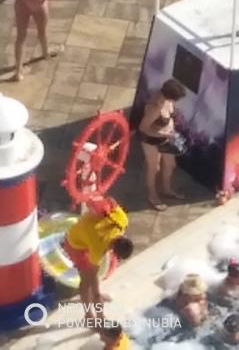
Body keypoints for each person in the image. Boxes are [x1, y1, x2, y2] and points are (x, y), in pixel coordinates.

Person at [62, 198, 133, 319]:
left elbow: (111, 201)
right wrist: (100, 313)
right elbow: (93, 281)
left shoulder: (121, 220)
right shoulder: (98, 246)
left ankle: (96, 312)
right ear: (113, 250)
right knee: (86, 281)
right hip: (75, 244)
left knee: (93, 281)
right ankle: (88, 316)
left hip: (86, 230)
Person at [138, 78, 188, 210]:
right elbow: (143, 128)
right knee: (154, 168)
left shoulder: (167, 100)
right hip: (151, 140)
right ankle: (152, 194)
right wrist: (164, 134)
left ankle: (166, 189)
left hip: (166, 138)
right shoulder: (154, 108)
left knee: (170, 165)